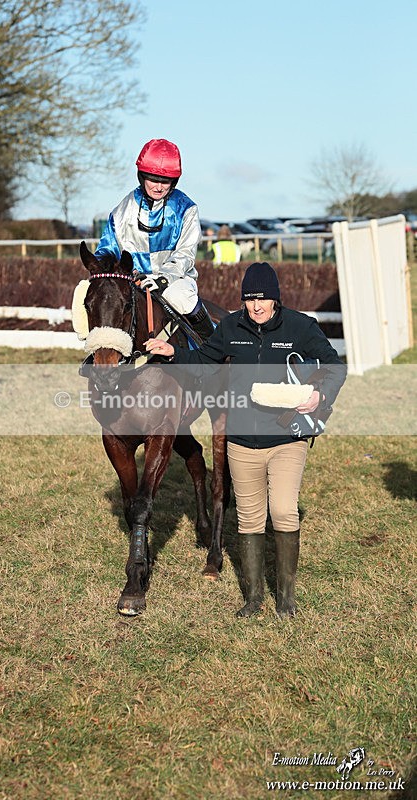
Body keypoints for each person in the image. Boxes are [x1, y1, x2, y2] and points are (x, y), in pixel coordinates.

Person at [145, 261, 346, 619]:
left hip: (287, 437)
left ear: (275, 299)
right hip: (240, 441)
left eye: (263, 299)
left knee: (283, 509)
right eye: (249, 299)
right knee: (250, 520)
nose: (256, 306)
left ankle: (285, 598)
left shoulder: (300, 327)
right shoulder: (230, 327)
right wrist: (174, 354)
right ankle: (253, 598)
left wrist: (320, 395)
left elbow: (334, 364)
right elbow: (204, 361)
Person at [94, 138, 214, 339]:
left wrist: (163, 277)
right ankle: (94, 351)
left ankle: (214, 349)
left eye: (165, 182)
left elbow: (186, 253)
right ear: (142, 176)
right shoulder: (122, 211)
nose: (158, 187)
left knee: (181, 297)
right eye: (153, 179)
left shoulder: (187, 208)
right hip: (132, 281)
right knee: (85, 293)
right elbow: (107, 249)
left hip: (175, 279)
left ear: (173, 182)